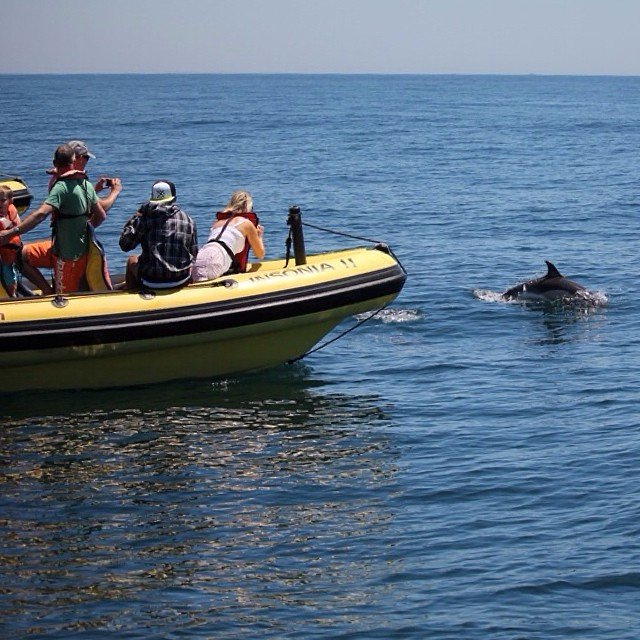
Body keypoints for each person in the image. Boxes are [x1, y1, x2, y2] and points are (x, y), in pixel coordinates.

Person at [0, 144, 107, 294]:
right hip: (58, 247)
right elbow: (101, 215)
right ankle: (47, 291)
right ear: (74, 161)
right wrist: (84, 232)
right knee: (20, 255)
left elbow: (40, 215)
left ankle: (56, 296)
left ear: (55, 163)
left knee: (63, 298)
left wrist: (10, 233)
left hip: (69, 256)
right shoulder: (86, 185)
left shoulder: (60, 187)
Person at [22, 139, 122, 292]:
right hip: (68, 251)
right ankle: (51, 292)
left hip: (62, 244)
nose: (87, 161)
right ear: (76, 158)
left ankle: (50, 290)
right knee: (21, 255)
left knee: (21, 255)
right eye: (86, 158)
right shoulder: (64, 183)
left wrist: (94, 191)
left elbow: (77, 204)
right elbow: (101, 210)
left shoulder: (68, 181)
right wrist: (114, 192)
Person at [119, 180, 198, 289]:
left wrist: (136, 217)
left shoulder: (145, 218)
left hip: (151, 280)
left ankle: (133, 296)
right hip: (180, 279)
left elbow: (125, 245)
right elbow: (193, 253)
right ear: (174, 198)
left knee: (131, 260)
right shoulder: (188, 220)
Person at [192, 190, 264, 282]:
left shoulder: (216, 223)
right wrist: (259, 236)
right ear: (247, 207)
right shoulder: (247, 224)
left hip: (198, 257)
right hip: (216, 260)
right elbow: (260, 254)